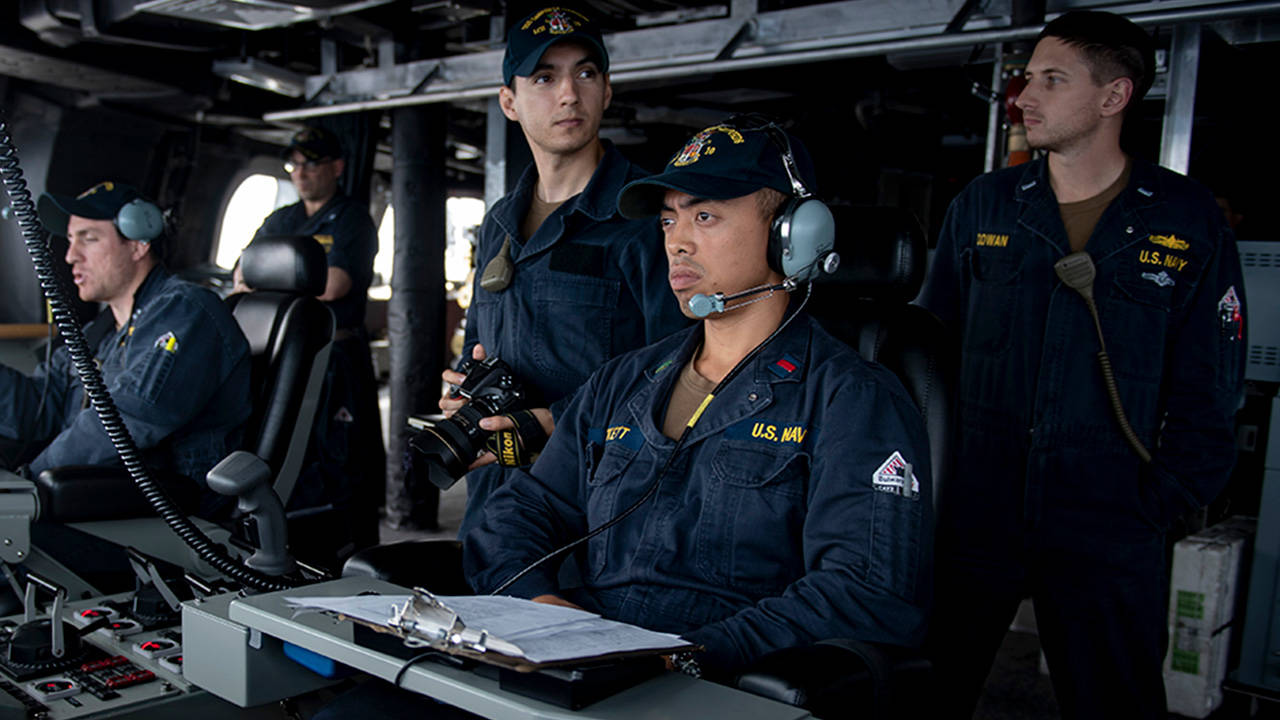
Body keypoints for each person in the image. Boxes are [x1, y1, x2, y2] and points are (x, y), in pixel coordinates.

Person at [316, 119, 932, 719]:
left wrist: (682, 658)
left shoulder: (853, 400)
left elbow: (863, 594)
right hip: (573, 666)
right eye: (668, 219)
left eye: (705, 216)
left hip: (709, 685)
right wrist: (546, 610)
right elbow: (517, 513)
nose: (677, 241)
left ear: (791, 234)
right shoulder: (623, 382)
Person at [919, 11, 1246, 718]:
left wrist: (1160, 498)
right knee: (922, 689)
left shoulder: (1185, 218)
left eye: (1052, 79)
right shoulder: (985, 205)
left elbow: (1213, 384)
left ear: (1113, 95)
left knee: (1114, 701)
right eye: (1027, 77)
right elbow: (927, 352)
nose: (1024, 96)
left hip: (1109, 513)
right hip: (976, 506)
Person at [438, 6, 688, 538]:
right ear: (509, 102)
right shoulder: (498, 224)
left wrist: (563, 421)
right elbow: (479, 339)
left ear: (606, 91)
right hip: (494, 505)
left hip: (598, 512)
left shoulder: (647, 219)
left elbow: (685, 367)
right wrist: (464, 389)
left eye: (586, 73)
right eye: (545, 78)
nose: (569, 94)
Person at [0, 181, 251, 517]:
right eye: (71, 240)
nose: (70, 255)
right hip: (98, 496)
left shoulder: (185, 312)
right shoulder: (102, 331)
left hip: (170, 516)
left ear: (138, 243)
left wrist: (29, 483)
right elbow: (40, 403)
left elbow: (124, 422)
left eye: (88, 238)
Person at [251, 126, 384, 548]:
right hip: (284, 355)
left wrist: (272, 281)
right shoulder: (281, 220)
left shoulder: (352, 219)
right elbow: (244, 274)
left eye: (311, 163)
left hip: (336, 356)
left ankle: (354, 548)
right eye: (294, 164)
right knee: (288, 451)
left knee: (344, 456)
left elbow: (335, 284)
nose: (301, 173)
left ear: (337, 167)